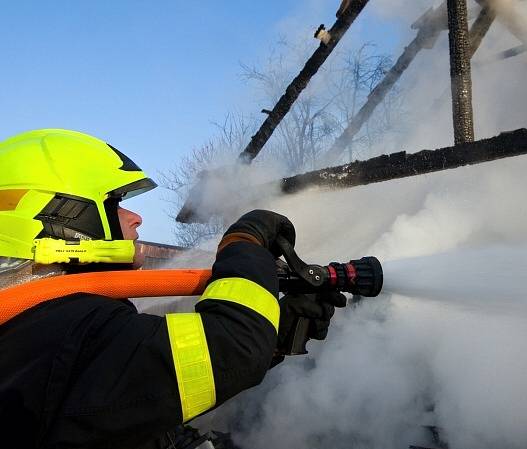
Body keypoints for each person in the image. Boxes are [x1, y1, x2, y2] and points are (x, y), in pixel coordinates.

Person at [0, 129, 345, 449]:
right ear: (65, 218)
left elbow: (144, 403)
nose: (136, 218)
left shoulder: (35, 330)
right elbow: (232, 349)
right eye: (115, 204)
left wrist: (273, 334)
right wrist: (245, 244)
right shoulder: (66, 327)